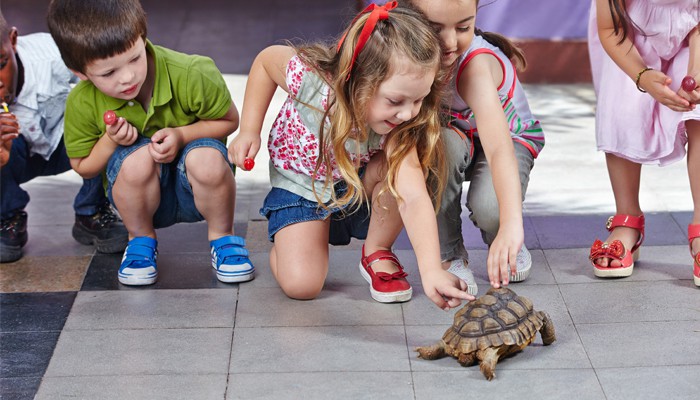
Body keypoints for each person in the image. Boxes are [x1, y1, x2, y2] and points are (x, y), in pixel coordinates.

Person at [228, 2, 474, 309]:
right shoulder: (313, 83)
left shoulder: (401, 124)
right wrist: (249, 129)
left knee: (403, 166)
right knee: (302, 286)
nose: (409, 112)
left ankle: (377, 250)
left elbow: (411, 196)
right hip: (304, 189)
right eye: (396, 100)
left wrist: (431, 270)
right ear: (358, 80)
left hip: (355, 185)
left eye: (419, 100)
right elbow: (266, 61)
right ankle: (291, 237)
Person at [46, 0, 253, 286]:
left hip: (200, 189)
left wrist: (181, 135)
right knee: (137, 160)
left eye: (134, 58)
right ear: (79, 72)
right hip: (139, 201)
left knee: (205, 157)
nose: (128, 77)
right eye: (108, 73)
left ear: (142, 37)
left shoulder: (193, 72)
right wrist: (110, 140)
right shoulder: (82, 101)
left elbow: (230, 120)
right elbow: (84, 168)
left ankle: (223, 237)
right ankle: (140, 240)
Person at [404, 0, 544, 293]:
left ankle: (503, 238)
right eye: (435, 28)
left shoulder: (475, 66)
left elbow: (498, 149)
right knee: (439, 144)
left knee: (491, 208)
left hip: (507, 140)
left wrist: (510, 224)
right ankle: (450, 255)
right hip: (455, 136)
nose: (450, 41)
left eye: (463, 27)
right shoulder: (405, 52)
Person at [0, 9, 128, 263]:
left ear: (13, 40)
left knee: (107, 114)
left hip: (67, 143)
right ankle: (6, 217)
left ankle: (91, 212)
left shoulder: (52, 54)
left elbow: (104, 80)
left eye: (0, 63)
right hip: (15, 157)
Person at [588, 0, 700, 286]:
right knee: (622, 104)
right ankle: (628, 217)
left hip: (694, 36)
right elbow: (611, 29)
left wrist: (697, 70)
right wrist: (643, 76)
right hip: (628, 40)